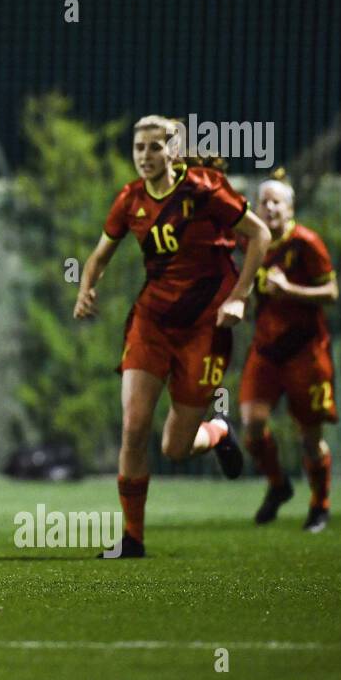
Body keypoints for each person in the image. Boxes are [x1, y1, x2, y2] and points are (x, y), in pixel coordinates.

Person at [74, 115, 271, 558]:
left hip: (205, 327)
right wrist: (87, 288)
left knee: (176, 447)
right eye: (138, 148)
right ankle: (133, 538)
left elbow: (260, 235)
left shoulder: (205, 189)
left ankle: (217, 432)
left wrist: (240, 296)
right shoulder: (130, 200)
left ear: (173, 150)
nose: (145, 156)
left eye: (154, 147)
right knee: (134, 426)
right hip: (153, 322)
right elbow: (100, 254)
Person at [239, 170, 339, 530]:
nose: (268, 208)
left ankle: (320, 505)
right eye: (263, 202)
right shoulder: (255, 242)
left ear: (290, 207)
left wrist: (290, 290)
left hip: (305, 352)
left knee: (310, 438)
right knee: (251, 427)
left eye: (275, 202)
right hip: (266, 351)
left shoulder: (307, 243)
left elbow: (331, 293)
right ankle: (279, 485)